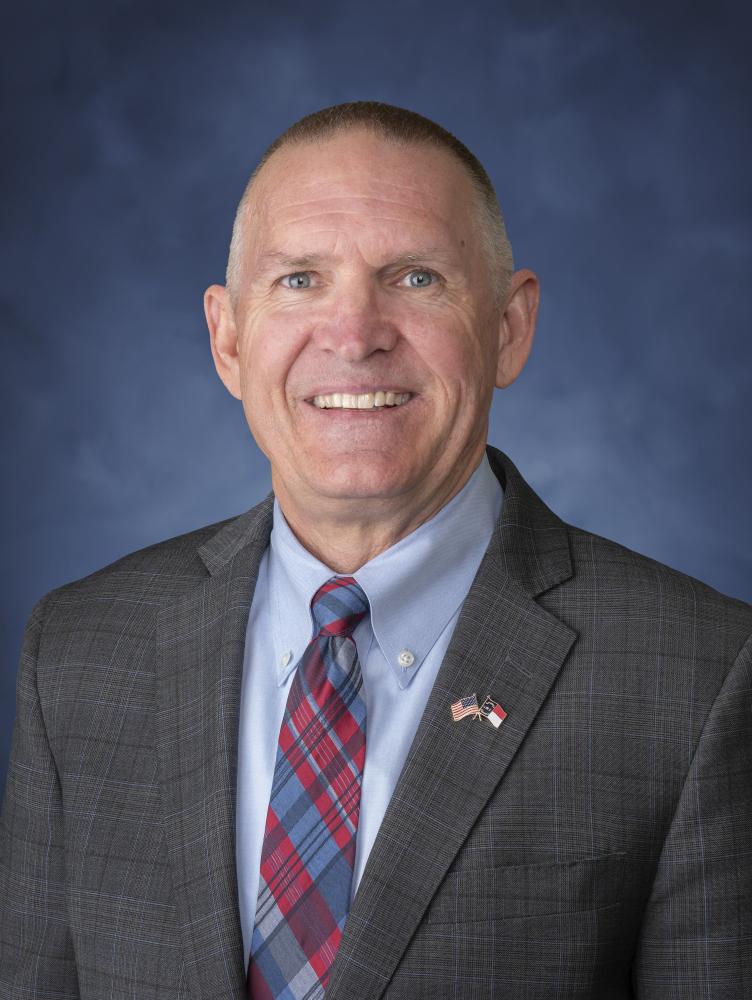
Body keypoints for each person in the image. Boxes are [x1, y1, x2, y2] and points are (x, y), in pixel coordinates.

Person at [1, 101, 750, 1000]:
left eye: (417, 277)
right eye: (298, 280)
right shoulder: (80, 649)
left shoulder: (700, 676)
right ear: (227, 338)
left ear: (509, 328)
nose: (355, 334)